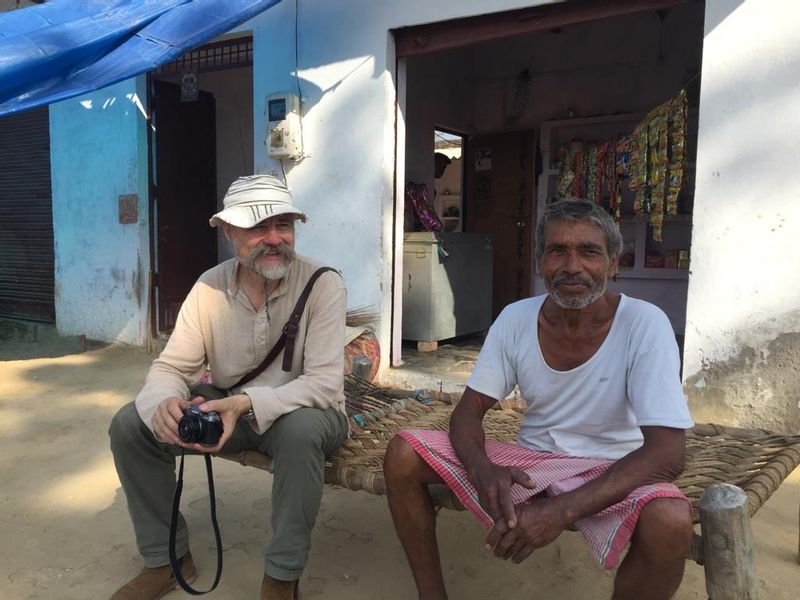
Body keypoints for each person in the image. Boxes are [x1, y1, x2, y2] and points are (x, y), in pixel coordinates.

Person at [384, 199, 695, 600]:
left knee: (671, 520)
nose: (571, 266)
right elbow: (468, 413)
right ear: (539, 263)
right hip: (533, 465)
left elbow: (668, 453)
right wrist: (484, 471)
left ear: (613, 263)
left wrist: (561, 511)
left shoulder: (644, 323)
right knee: (403, 452)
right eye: (557, 251)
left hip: (613, 467)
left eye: (588, 252)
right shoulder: (516, 318)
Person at [108, 175, 348, 600]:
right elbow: (173, 365)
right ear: (228, 232)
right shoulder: (208, 287)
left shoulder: (323, 284)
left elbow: (325, 385)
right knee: (130, 425)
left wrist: (244, 402)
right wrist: (164, 401)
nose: (274, 239)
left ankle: (281, 577)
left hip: (303, 412)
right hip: (228, 412)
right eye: (258, 228)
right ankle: (167, 560)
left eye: (284, 225)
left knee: (300, 432)